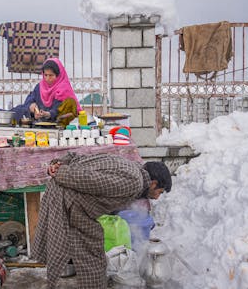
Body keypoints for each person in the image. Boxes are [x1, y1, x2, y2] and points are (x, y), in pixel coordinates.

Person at [32, 153, 171, 289]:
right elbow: (89, 180)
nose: (157, 197)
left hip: (79, 203)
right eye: (160, 191)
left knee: (89, 249)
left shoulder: (131, 167)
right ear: (153, 183)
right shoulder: (134, 182)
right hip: (70, 200)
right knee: (93, 260)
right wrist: (61, 171)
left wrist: (60, 163)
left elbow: (80, 158)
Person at [12, 58, 82, 125]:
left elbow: (63, 110)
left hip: (57, 123)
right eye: (45, 75)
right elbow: (29, 101)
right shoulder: (39, 87)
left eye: (51, 75)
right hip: (38, 122)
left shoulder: (64, 89)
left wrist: (48, 114)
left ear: (58, 75)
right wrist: (32, 108)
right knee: (17, 110)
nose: (48, 78)